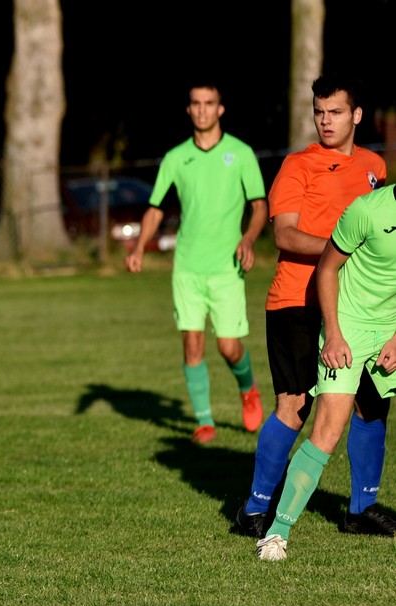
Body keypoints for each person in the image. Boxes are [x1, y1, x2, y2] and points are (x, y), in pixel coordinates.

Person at [236, 73, 393, 540]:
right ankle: (254, 509)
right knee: (296, 403)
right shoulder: (298, 165)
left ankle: (361, 509)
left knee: (372, 403)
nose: (325, 121)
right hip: (296, 298)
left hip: (358, 308)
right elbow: (283, 234)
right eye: (319, 112)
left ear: (356, 115)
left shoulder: (374, 167)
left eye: (336, 112)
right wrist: (344, 246)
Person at [257, 182, 396, 560]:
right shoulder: (366, 210)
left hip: (392, 327)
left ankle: (362, 509)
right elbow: (328, 268)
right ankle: (276, 532)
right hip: (347, 324)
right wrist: (333, 334)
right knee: (327, 432)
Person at [125, 82, 268, 445]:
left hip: (226, 267)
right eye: (196, 104)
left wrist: (248, 238)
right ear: (188, 110)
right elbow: (155, 208)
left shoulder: (240, 153)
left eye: (209, 103)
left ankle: (248, 388)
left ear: (220, 109)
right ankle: (204, 422)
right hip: (187, 266)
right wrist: (140, 247)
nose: (202, 109)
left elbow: (259, 206)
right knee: (192, 344)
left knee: (229, 347)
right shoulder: (175, 158)